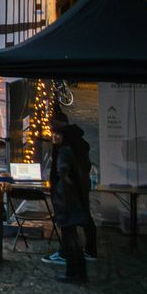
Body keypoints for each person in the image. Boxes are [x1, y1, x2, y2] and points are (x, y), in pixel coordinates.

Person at [47, 120, 94, 283]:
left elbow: (63, 171)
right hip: (72, 199)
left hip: (67, 201)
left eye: (57, 134)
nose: (54, 137)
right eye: (53, 134)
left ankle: (74, 272)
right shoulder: (73, 149)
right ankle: (76, 272)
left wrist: (63, 189)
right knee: (71, 237)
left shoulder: (65, 152)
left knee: (70, 238)